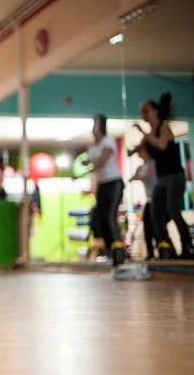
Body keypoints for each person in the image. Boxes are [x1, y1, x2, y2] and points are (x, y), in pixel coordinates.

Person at [132, 92, 192, 258]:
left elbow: (161, 145)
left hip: (175, 176)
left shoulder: (164, 128)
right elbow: (135, 151)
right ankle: (167, 247)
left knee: (173, 211)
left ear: (156, 111)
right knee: (155, 216)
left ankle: (188, 246)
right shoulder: (148, 135)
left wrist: (143, 133)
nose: (143, 113)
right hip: (162, 178)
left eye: (146, 110)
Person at [82, 114, 125, 256]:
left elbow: (102, 161)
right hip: (102, 184)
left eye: (96, 124)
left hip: (114, 181)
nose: (93, 127)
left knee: (110, 216)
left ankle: (118, 248)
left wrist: (86, 169)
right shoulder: (92, 146)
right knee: (100, 216)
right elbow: (89, 161)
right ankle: (108, 249)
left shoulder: (109, 141)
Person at [129, 147, 158, 259]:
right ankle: (150, 251)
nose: (138, 155)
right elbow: (134, 177)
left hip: (157, 199)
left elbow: (145, 176)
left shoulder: (152, 163)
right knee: (146, 225)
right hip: (149, 199)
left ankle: (163, 248)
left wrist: (138, 177)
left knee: (156, 225)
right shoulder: (141, 167)